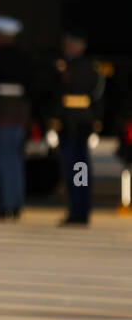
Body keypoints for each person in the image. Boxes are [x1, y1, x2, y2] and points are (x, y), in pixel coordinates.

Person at [43, 30, 105, 225]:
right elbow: (99, 99)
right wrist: (96, 122)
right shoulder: (92, 68)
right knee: (80, 170)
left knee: (74, 170)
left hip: (70, 124)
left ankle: (78, 211)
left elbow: (56, 96)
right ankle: (80, 210)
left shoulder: (63, 68)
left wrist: (53, 121)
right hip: (84, 123)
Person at [0, 16, 33, 220]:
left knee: (3, 160)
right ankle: (16, 203)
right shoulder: (24, 57)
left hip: (2, 114)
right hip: (20, 114)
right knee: (16, 160)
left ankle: (6, 205)